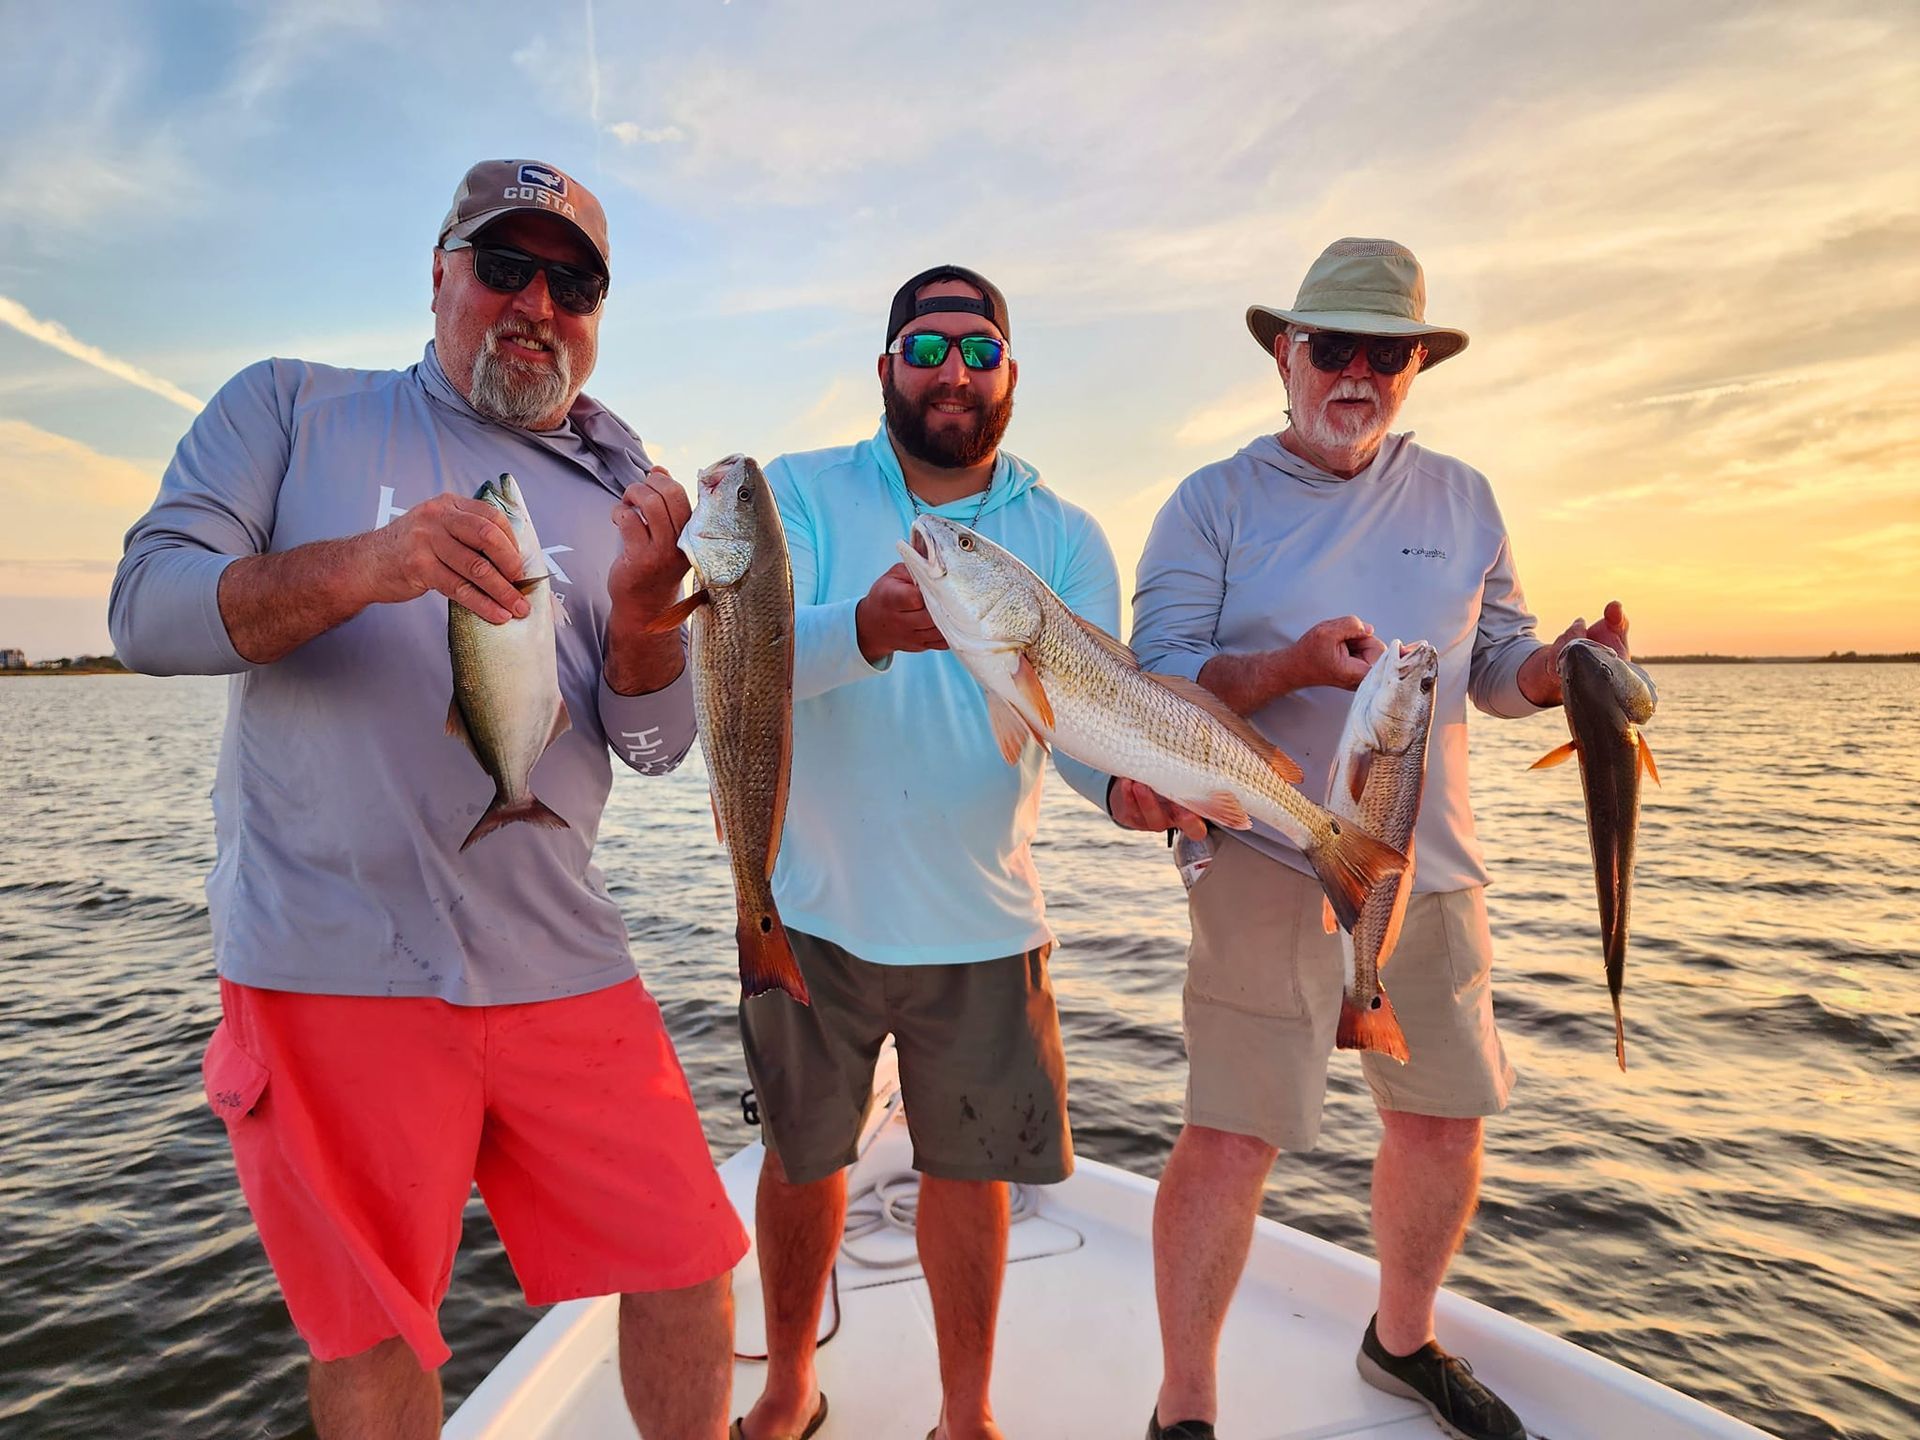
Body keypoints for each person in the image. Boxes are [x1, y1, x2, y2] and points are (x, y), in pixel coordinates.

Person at [108, 159, 748, 1440]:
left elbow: (662, 749)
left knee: (688, 1260)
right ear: (440, 274)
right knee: (376, 1331)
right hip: (329, 961)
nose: (535, 302)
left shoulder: (623, 485)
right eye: (503, 265)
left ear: (599, 310)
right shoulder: (292, 407)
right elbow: (144, 610)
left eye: (573, 281)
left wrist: (639, 629)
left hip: (558, 952)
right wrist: (371, 563)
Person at [1114, 237, 1639, 1440]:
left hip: (1430, 864)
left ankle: (1402, 1341)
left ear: (1416, 365)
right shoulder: (1212, 500)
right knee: (1233, 1128)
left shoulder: (1464, 497)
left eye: (1384, 352)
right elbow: (1157, 678)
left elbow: (1496, 663)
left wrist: (1562, 669)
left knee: (1444, 1118)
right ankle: (1184, 1404)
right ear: (1284, 356)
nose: (1356, 373)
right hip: (1265, 857)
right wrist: (1288, 667)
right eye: (1330, 347)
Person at [731, 265, 1120, 1440]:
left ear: (1010, 374)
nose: (954, 372)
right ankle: (790, 1387)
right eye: (929, 347)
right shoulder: (793, 492)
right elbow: (742, 661)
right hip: (808, 909)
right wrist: (861, 628)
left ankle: (966, 1416)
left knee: (972, 1172)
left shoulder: (1065, 533)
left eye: (979, 350)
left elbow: (1094, 732)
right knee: (804, 1159)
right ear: (887, 367)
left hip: (987, 918)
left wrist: (1146, 794)